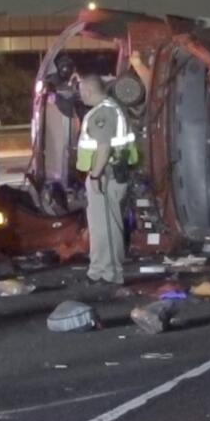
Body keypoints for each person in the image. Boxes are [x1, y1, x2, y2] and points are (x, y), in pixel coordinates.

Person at [76, 74, 138, 285]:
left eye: (81, 91)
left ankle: (111, 273)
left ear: (88, 91)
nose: (80, 96)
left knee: (108, 227)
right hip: (105, 174)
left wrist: (95, 175)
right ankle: (98, 270)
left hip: (105, 175)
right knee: (98, 226)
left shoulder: (104, 113)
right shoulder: (111, 109)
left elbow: (104, 147)